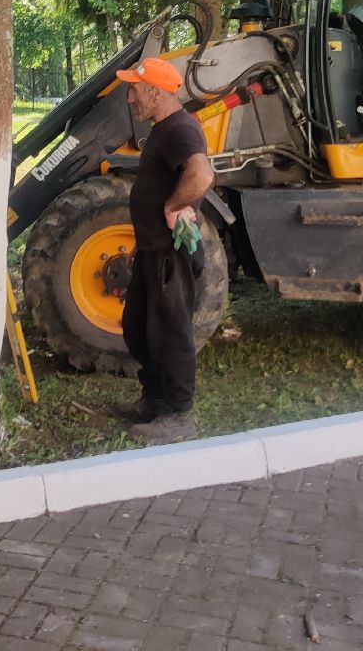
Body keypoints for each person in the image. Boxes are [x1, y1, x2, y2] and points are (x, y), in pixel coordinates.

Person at [113, 56, 214, 444]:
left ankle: (177, 414)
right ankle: (155, 401)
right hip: (153, 249)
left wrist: (173, 206)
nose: (130, 99)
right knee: (139, 328)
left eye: (134, 90)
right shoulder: (165, 129)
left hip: (170, 253)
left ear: (155, 92)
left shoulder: (179, 129)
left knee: (170, 332)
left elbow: (202, 174)